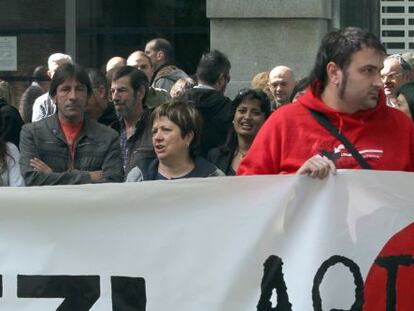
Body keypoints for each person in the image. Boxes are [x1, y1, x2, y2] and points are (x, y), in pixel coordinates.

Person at [237, 27, 414, 178]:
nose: (378, 82)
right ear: (334, 72)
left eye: (379, 71)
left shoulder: (402, 127)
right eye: (368, 71)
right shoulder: (283, 124)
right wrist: (293, 184)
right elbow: (247, 199)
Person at [19, 63, 124, 186]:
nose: (73, 96)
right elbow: (32, 178)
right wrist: (88, 176)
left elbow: (113, 180)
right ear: (53, 97)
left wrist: (51, 174)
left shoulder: (108, 137)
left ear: (88, 96)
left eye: (79, 89)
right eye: (65, 89)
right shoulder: (32, 133)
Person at [126, 100, 224, 181]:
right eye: (154, 131)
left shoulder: (213, 177)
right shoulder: (138, 176)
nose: (157, 137)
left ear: (188, 137)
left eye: (166, 130)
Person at [182, 49, 233, 157]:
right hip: (218, 168)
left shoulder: (175, 104)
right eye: (227, 79)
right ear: (222, 79)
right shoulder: (229, 108)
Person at [208, 89, 270, 175]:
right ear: (233, 116)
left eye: (255, 113)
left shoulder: (272, 158)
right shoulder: (215, 156)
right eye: (242, 111)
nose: (247, 117)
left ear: (265, 120)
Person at [110, 66, 155, 175]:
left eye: (121, 90)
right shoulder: (111, 131)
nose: (115, 97)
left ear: (140, 92)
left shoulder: (157, 128)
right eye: (112, 91)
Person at [32, 53, 73, 122]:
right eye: (56, 71)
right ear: (50, 74)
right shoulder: (42, 103)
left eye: (65, 69)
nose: (61, 74)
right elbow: (38, 131)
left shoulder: (84, 99)